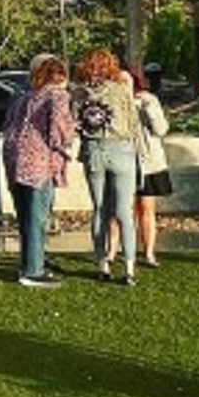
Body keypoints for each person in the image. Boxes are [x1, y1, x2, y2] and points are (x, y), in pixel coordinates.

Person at [0, 53, 74, 288]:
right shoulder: (58, 95)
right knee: (37, 216)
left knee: (25, 217)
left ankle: (28, 264)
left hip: (14, 159)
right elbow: (59, 132)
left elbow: (8, 126)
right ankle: (33, 271)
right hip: (39, 162)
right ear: (60, 74)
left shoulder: (23, 97)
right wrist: (68, 142)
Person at [70, 48, 140, 284]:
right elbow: (132, 122)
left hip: (93, 150)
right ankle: (129, 267)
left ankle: (103, 263)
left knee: (100, 209)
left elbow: (75, 124)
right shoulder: (121, 89)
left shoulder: (79, 93)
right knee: (123, 212)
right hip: (121, 150)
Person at [130, 64, 172, 267]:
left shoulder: (150, 100)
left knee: (147, 206)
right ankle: (117, 252)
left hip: (149, 161)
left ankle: (148, 253)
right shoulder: (116, 100)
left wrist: (149, 108)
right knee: (123, 209)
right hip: (125, 161)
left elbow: (161, 129)